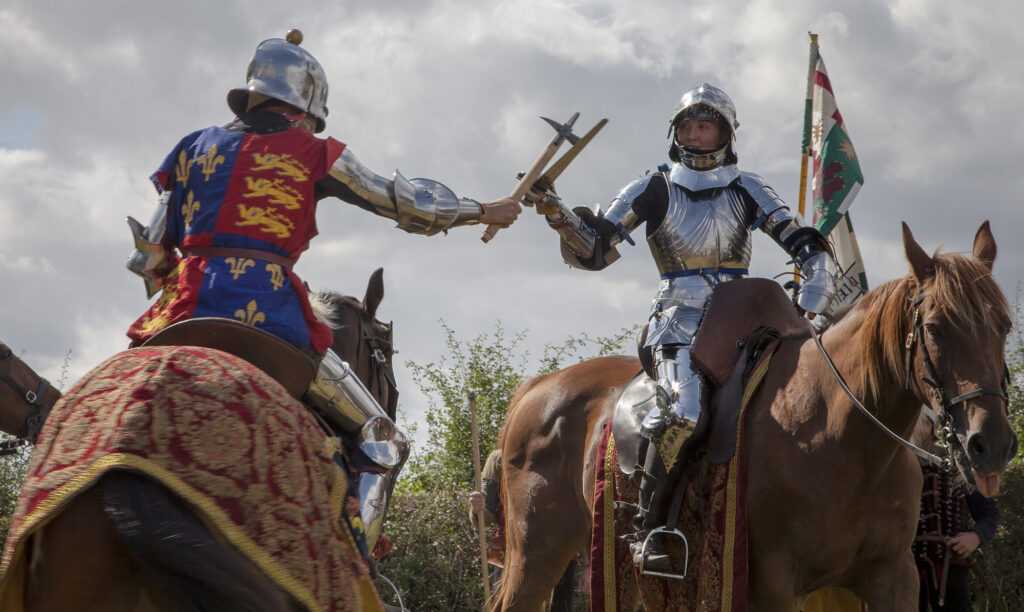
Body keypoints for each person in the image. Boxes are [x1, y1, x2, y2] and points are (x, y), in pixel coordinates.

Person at [124, 30, 520, 554]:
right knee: (382, 439)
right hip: (270, 314)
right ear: (304, 109)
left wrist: (180, 290)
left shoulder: (191, 148)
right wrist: (482, 210)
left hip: (179, 313)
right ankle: (355, 567)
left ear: (252, 95)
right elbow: (407, 203)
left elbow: (148, 257)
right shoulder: (315, 151)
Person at [530, 83, 837, 572]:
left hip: (746, 319)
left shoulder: (748, 186)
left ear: (725, 133)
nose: (693, 135)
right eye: (686, 126)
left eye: (704, 126)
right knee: (683, 410)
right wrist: (557, 213)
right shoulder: (652, 187)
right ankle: (649, 527)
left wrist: (814, 291)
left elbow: (804, 241)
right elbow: (596, 249)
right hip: (678, 320)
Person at [469, 448, 586, 609]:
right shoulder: (499, 458)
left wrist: (589, 565)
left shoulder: (565, 454)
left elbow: (581, 514)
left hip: (559, 554)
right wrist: (477, 509)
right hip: (513, 552)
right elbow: (485, 517)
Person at [914, 409, 1000, 611]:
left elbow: (989, 513)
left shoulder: (958, 465)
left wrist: (975, 536)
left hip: (951, 566)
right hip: (903, 568)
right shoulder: (893, 467)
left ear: (932, 427)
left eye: (922, 422)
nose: (916, 429)